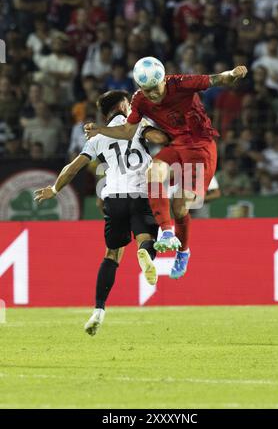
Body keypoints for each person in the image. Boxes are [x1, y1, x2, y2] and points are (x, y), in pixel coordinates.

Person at [84, 57, 248, 279]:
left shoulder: (180, 84)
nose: (150, 94)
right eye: (145, 89)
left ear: (162, 80)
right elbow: (127, 131)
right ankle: (167, 232)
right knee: (153, 171)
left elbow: (214, 79)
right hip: (176, 145)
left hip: (201, 148)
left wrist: (233, 74)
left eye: (153, 89)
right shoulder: (140, 99)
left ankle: (183, 252)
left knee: (181, 205)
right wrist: (100, 130)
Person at [34, 90, 170, 336]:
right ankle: (144, 252)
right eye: (129, 103)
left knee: (112, 255)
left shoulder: (97, 137)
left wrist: (54, 189)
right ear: (122, 105)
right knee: (147, 240)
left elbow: (73, 168)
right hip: (141, 194)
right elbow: (161, 138)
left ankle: (99, 310)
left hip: (114, 198)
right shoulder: (138, 124)